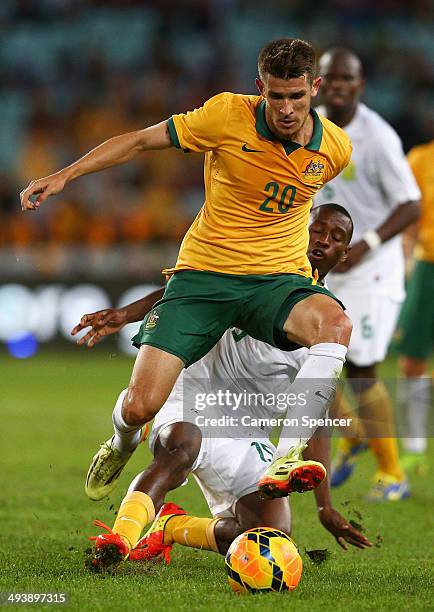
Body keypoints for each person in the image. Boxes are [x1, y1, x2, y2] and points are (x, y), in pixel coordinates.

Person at [21, 39, 353, 515]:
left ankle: (288, 457)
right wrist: (66, 175)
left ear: (314, 89)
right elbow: (138, 140)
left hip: (275, 280)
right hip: (205, 277)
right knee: (141, 406)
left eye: (296, 97)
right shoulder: (224, 117)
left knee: (335, 327)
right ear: (260, 88)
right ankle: (119, 441)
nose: (285, 108)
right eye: (275, 96)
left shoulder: (335, 149)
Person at [74, 204, 371, 568]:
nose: (323, 240)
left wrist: (325, 506)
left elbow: (317, 418)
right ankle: (119, 538)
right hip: (195, 392)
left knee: (271, 535)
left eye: (335, 237)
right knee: (179, 448)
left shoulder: (326, 324)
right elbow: (189, 291)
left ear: (346, 254)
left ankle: (170, 526)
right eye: (317, 229)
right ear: (298, 228)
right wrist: (126, 314)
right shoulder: (256, 266)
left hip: (246, 430)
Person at [313, 48, 421, 500]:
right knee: (302, 358)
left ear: (360, 86)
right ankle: (352, 431)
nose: (337, 85)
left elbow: (411, 202)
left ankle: (393, 473)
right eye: (329, 78)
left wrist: (366, 245)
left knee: (361, 369)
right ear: (317, 83)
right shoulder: (307, 125)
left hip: (370, 267)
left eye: (346, 79)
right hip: (325, 260)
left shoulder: (377, 137)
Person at [394, 140, 434, 472]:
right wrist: (405, 254)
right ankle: (415, 444)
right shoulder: (420, 159)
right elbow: (408, 212)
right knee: (411, 362)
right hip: (427, 268)